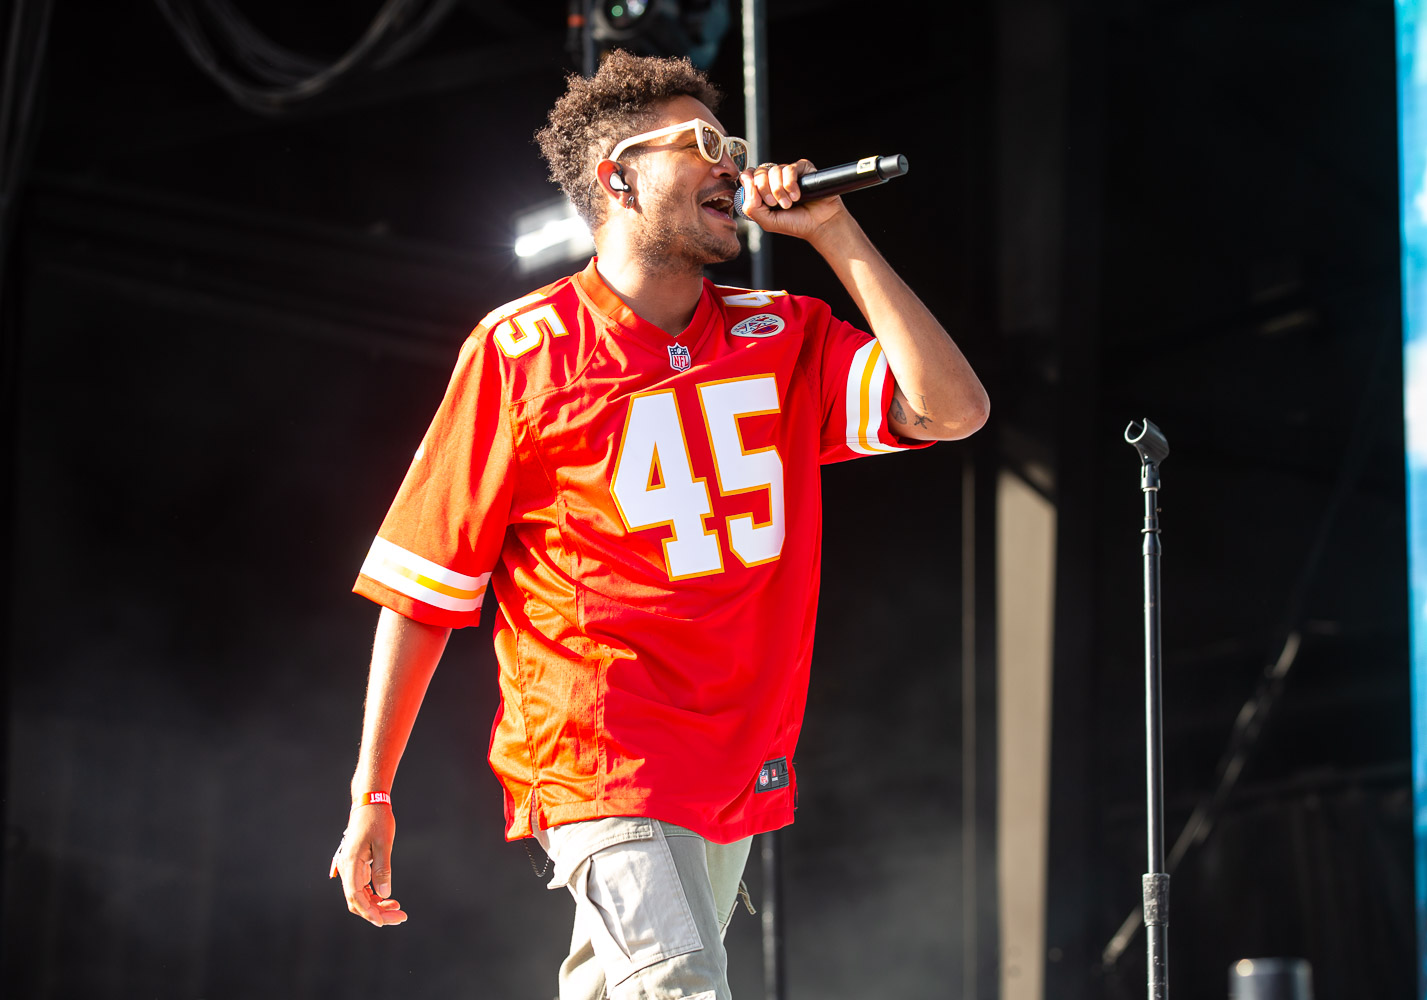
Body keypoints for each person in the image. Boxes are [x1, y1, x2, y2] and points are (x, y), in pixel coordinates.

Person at [330, 50, 988, 1000]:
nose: (732, 164)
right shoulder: (522, 352)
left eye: (735, 146)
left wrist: (837, 234)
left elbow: (951, 409)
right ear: (618, 177)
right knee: (677, 986)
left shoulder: (782, 334)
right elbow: (421, 587)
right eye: (704, 146)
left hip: (731, 764)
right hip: (598, 753)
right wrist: (373, 794)